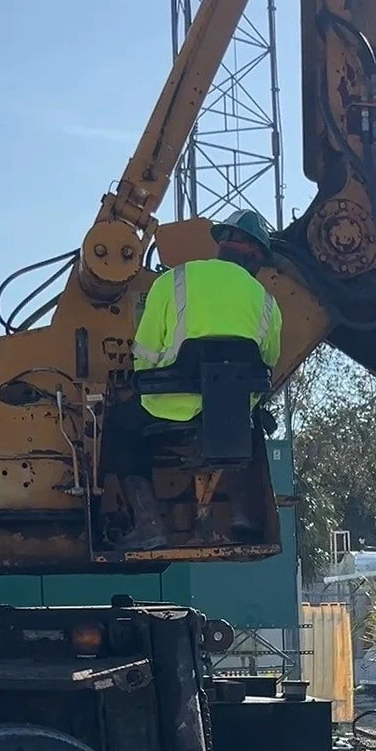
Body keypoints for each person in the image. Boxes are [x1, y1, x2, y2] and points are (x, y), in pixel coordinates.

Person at [105, 208, 283, 551]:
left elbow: (144, 350)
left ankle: (148, 524)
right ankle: (240, 514)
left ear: (223, 243)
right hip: (229, 419)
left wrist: (153, 386)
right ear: (257, 255)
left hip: (167, 407)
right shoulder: (267, 303)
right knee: (251, 424)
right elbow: (267, 368)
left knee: (119, 427)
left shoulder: (174, 280)